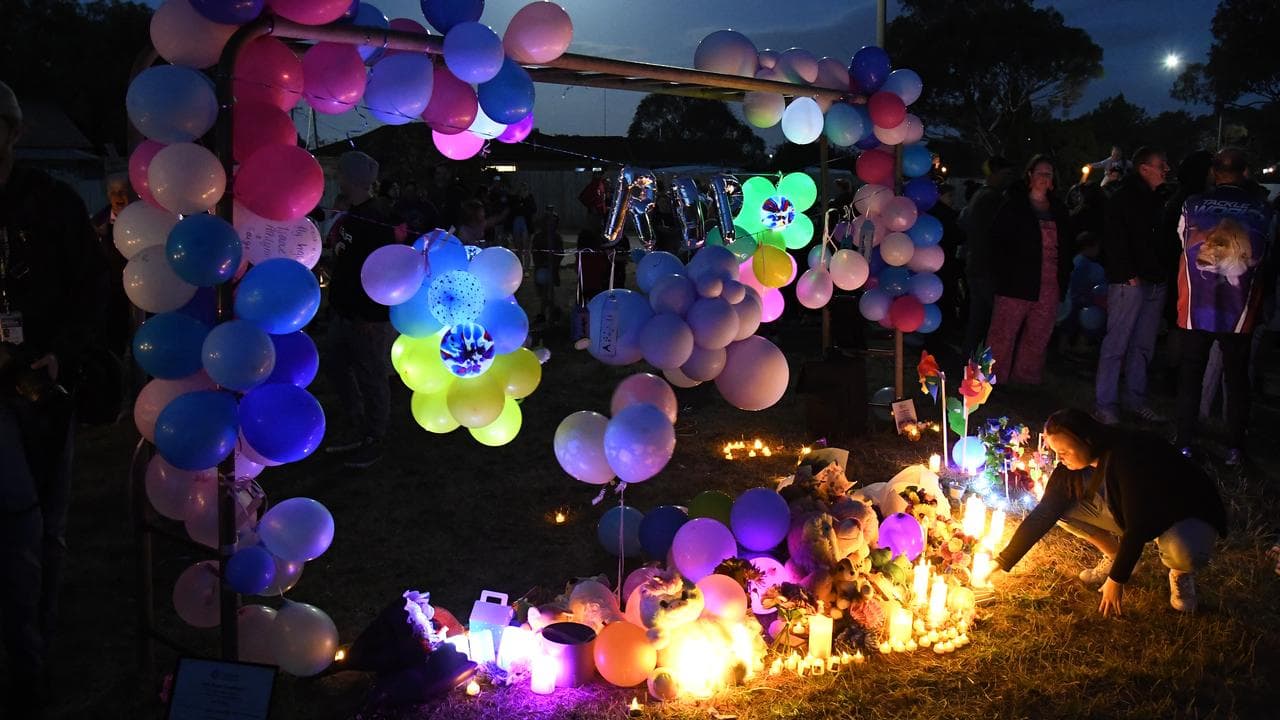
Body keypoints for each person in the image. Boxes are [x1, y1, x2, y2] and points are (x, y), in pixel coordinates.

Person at [0, 80, 109, 716]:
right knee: (17, 523)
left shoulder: (52, 203)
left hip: (43, 386)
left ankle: (38, 638)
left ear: (13, 131)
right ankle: (28, 666)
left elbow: (92, 288)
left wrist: (61, 351)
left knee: (48, 528)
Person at [994, 409, 1227, 615]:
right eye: (1056, 452)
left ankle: (1180, 573)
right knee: (1061, 508)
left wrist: (1117, 579)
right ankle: (1117, 555)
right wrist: (1004, 560)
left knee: (1184, 551)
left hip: (1181, 510)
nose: (1059, 459)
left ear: (1086, 440)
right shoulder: (1075, 466)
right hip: (1137, 513)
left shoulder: (1127, 455)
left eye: (1064, 452)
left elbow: (1139, 525)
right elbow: (1045, 512)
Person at [1174, 148, 1276, 465]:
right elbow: (1267, 253)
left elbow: (1182, 241)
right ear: (1245, 172)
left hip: (1196, 305)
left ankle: (1184, 442)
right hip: (1239, 308)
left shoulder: (1192, 205)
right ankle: (1234, 447)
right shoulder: (1263, 210)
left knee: (1191, 373)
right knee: (1236, 377)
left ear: (1214, 173)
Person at [322, 151, 398, 469]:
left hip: (365, 318)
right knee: (334, 365)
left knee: (371, 376)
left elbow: (385, 271)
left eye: (340, 172)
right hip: (343, 311)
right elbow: (348, 260)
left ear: (353, 179)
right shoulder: (351, 216)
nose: (336, 177)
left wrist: (373, 314)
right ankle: (357, 421)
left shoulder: (375, 219)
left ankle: (374, 438)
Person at [1094, 147, 1176, 424]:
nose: (1166, 169)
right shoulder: (1125, 198)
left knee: (1143, 346)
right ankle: (1105, 403)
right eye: (1161, 164)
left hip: (1153, 281)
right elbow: (1115, 237)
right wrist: (1128, 273)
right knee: (1117, 343)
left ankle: (1134, 399)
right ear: (1144, 168)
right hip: (1131, 282)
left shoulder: (1156, 200)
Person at [985, 155, 1073, 384]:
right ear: (1030, 176)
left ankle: (1026, 377)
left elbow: (1067, 244)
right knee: (1002, 333)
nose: (1045, 178)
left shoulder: (1058, 209)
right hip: (1016, 281)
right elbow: (997, 241)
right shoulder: (1014, 205)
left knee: (1038, 333)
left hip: (1049, 282)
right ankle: (991, 379)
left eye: (1049, 173)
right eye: (1041, 172)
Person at [959, 155, 1016, 354]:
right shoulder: (992, 199)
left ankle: (970, 360)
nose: (1009, 179)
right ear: (995, 173)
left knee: (978, 319)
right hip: (988, 267)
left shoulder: (981, 196)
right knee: (990, 320)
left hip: (978, 264)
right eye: (1006, 174)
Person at [90, 174, 136, 360]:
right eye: (113, 192)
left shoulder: (145, 218)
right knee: (113, 348)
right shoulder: (97, 224)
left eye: (123, 191)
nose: (118, 196)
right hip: (112, 296)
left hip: (144, 294)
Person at [531, 206, 563, 326]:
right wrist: (541, 263)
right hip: (542, 269)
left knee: (548, 292)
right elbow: (535, 252)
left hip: (551, 269)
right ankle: (551, 311)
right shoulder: (539, 237)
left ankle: (547, 314)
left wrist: (554, 264)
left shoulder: (556, 237)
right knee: (544, 293)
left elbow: (560, 253)